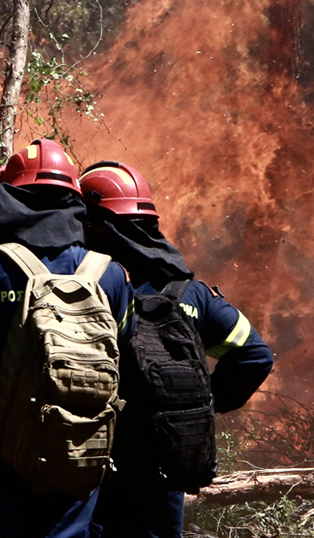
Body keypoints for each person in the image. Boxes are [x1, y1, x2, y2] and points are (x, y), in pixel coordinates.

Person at [0, 140, 134, 538]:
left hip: (2, 447)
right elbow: (123, 346)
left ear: (9, 200)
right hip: (80, 447)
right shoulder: (111, 276)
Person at [80, 161, 274, 538]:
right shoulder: (192, 294)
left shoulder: (93, 286)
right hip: (166, 460)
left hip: (99, 462)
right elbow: (255, 356)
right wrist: (199, 402)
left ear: (100, 224)